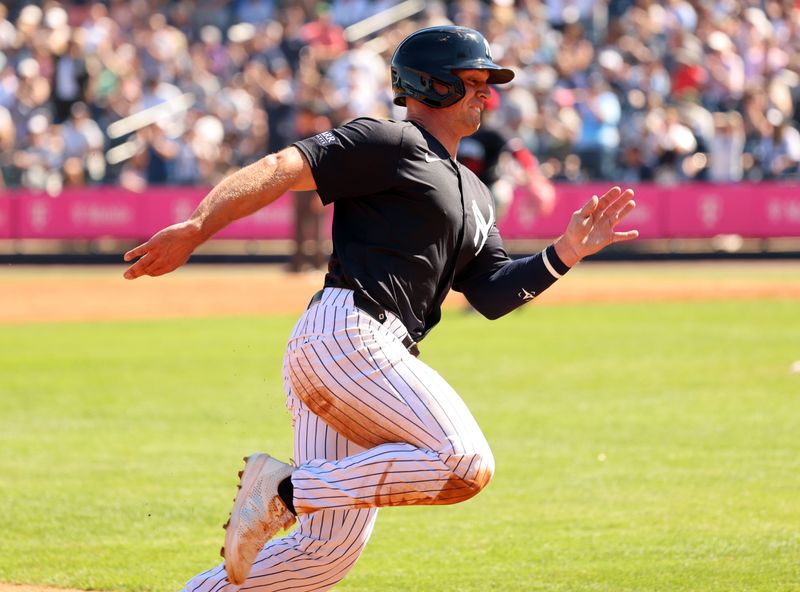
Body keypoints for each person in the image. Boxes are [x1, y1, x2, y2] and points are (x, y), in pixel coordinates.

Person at [123, 26, 638, 592]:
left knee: (322, 557)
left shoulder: (475, 190)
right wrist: (198, 227)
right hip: (348, 333)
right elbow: (279, 168)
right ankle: (286, 491)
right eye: (472, 81)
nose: (485, 94)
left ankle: (259, 521)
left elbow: (490, 293)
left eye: (487, 83)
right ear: (430, 85)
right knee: (464, 462)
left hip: (358, 356)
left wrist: (562, 254)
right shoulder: (389, 142)